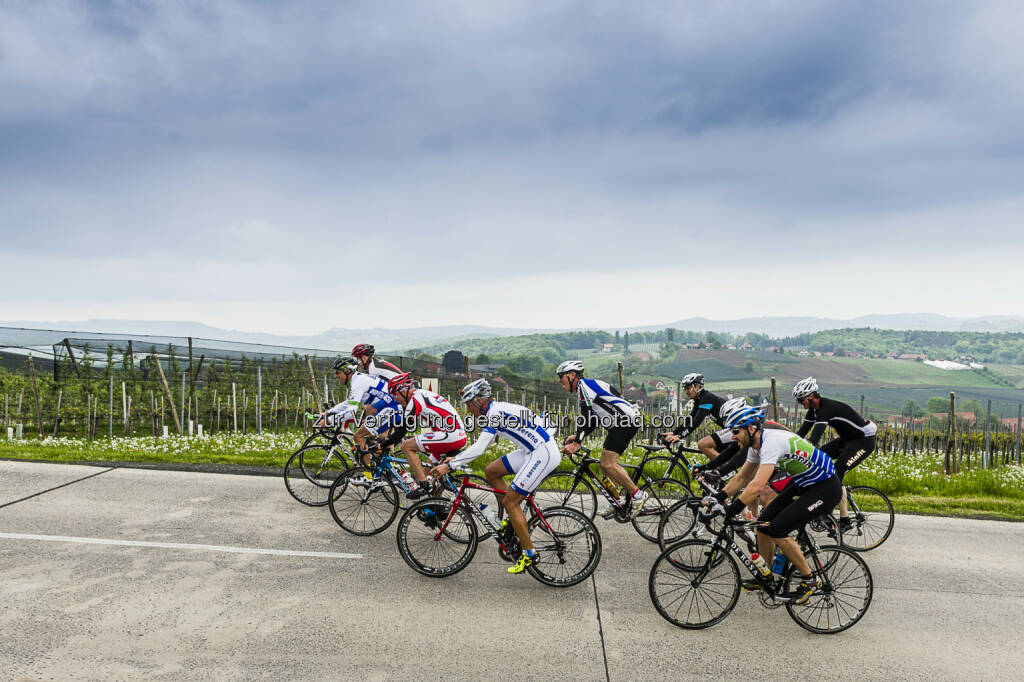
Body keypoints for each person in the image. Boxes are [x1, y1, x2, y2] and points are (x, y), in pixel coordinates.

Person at [708, 406, 841, 603]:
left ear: (751, 428)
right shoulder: (755, 445)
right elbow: (742, 477)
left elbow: (757, 486)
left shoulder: (771, 443)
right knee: (763, 524)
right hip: (803, 483)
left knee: (778, 529)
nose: (733, 437)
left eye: (736, 431)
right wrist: (718, 498)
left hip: (825, 488)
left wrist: (732, 509)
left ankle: (810, 580)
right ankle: (766, 576)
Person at [431, 379, 561, 575]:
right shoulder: (497, 409)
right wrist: (457, 458)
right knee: (491, 471)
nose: (468, 410)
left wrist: (450, 465)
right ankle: (512, 519)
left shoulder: (495, 414)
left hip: (542, 454)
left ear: (479, 401)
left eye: (469, 405)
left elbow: (480, 448)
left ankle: (529, 554)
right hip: (531, 450)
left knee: (511, 502)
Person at [556, 360, 648, 519]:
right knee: (604, 466)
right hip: (620, 423)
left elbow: (588, 416)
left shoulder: (584, 387)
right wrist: (577, 437)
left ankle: (638, 495)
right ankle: (617, 501)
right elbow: (593, 420)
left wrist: (577, 443)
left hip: (625, 422)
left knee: (608, 463)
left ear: (572, 375)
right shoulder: (585, 387)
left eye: (561, 376)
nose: (559, 380)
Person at [793, 377, 877, 530]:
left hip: (863, 441)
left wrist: (803, 451)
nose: (799, 403)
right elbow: (801, 434)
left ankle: (840, 518)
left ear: (811, 396)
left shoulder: (827, 408)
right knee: (819, 458)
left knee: (837, 470)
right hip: (847, 440)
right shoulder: (813, 411)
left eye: (800, 399)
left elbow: (814, 438)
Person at [387, 372, 467, 499]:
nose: (395, 398)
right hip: (454, 434)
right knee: (428, 472)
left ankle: (424, 487)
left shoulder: (416, 399)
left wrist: (384, 444)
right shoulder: (421, 395)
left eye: (395, 394)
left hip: (450, 435)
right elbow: (402, 424)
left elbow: (403, 429)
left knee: (406, 446)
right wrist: (392, 438)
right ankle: (436, 506)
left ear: (404, 390)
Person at [321, 357, 404, 465]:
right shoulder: (358, 379)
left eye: (338, 372)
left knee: (358, 436)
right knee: (370, 441)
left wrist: (328, 421)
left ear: (347, 371)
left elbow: (351, 412)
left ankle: (368, 477)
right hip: (389, 408)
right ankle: (383, 470)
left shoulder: (358, 382)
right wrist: (328, 413)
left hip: (391, 409)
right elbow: (348, 403)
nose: (335, 375)